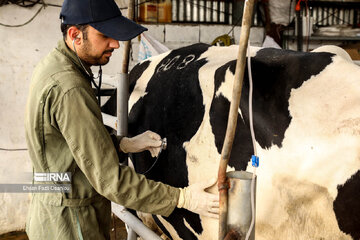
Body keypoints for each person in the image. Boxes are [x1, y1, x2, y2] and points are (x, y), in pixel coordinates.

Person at [24, 0, 219, 239]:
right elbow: (110, 180)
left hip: (53, 212)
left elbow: (67, 144)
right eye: (105, 35)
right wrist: (182, 198)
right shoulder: (70, 88)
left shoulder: (53, 66)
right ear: (75, 35)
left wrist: (122, 144)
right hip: (71, 225)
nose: (115, 44)